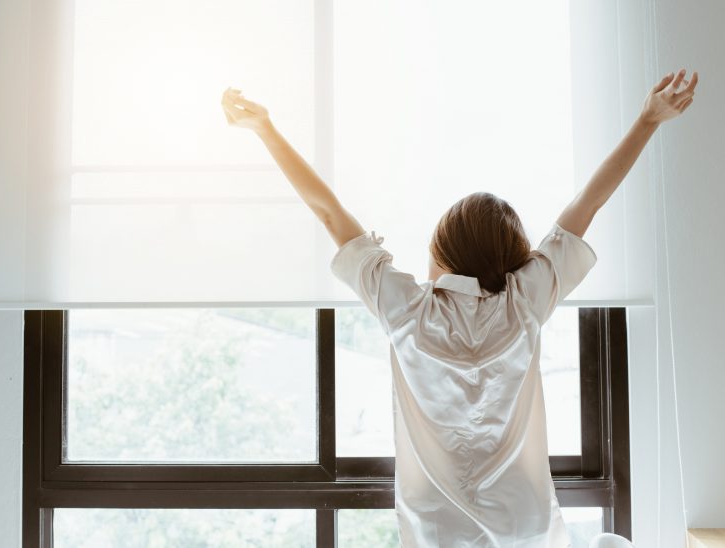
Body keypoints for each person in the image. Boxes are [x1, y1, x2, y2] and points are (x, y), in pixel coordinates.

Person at [221, 68, 697, 547]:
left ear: (441, 252)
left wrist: (266, 130)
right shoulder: (524, 303)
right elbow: (588, 205)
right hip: (522, 520)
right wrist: (647, 121)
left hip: (435, 528)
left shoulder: (405, 309)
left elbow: (328, 212)